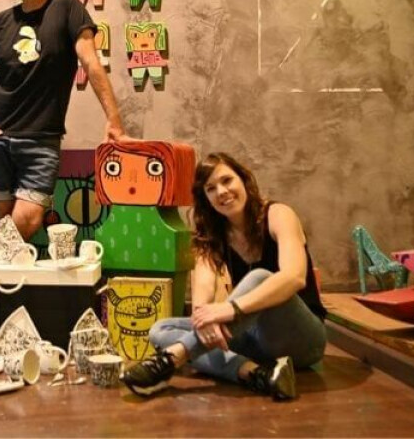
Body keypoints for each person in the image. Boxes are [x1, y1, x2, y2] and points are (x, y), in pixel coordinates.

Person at [121, 152, 327, 401]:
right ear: (205, 198)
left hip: (301, 341)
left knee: (260, 278)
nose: (221, 191)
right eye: (211, 188)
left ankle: (171, 359)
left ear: (243, 179)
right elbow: (203, 288)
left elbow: (294, 277)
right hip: (255, 341)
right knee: (160, 329)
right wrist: (204, 319)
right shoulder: (215, 233)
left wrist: (230, 309)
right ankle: (257, 374)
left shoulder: (278, 214)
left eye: (227, 180)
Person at [0, 0, 127, 241]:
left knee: (27, 219)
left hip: (41, 141)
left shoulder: (67, 7)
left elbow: (90, 61)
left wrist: (114, 119)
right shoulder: (1, 21)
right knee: (4, 218)